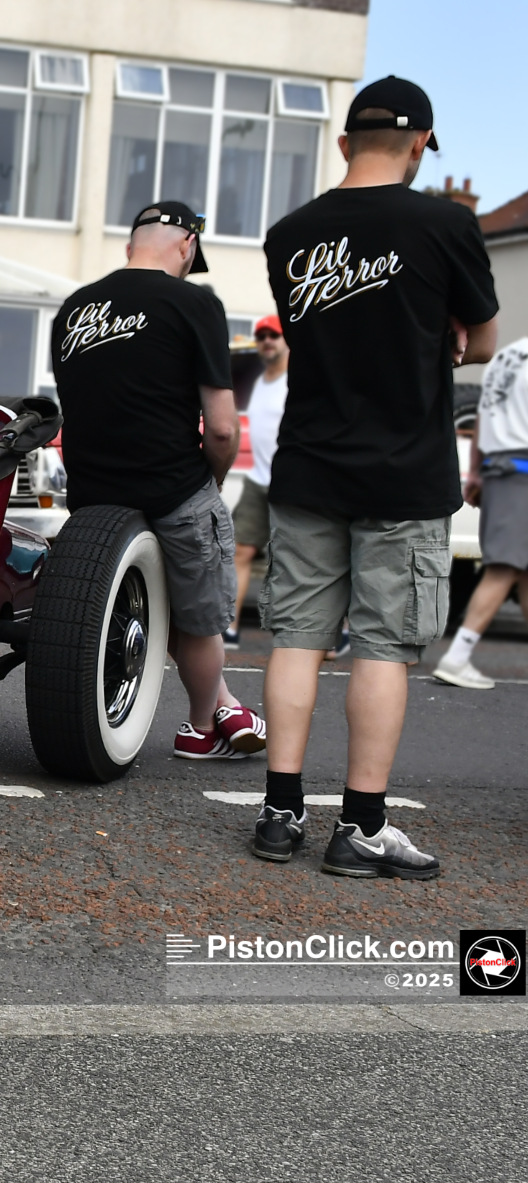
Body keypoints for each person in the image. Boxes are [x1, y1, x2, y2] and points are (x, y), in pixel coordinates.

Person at [253, 77, 498, 877]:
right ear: (423, 144)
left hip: (310, 463)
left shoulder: (290, 233)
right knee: (383, 648)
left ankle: (279, 814)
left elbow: (319, 335)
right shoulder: (447, 224)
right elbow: (486, 341)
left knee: (295, 638)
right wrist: (447, 331)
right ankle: (360, 828)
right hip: (405, 469)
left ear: (344, 142)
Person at [53, 200, 265, 761]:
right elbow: (221, 428)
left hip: (95, 493)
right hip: (172, 484)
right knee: (199, 620)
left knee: (147, 603)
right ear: (187, 247)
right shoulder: (196, 301)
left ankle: (226, 706)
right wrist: (209, 484)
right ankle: (200, 726)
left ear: (130, 247)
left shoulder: (74, 308)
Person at [433, 335, 528, 688]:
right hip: (523, 469)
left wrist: (476, 471)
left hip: (501, 467)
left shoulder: (508, 357)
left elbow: (485, 416)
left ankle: (459, 655)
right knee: (505, 567)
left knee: (520, 567)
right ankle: (457, 657)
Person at [227, 314, 289, 648]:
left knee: (306, 561)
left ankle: (334, 634)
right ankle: (230, 629)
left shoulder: (297, 380)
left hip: (291, 485)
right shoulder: (261, 380)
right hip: (258, 481)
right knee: (239, 551)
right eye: (262, 335)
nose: (266, 341)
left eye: (273, 335)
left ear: (287, 340)